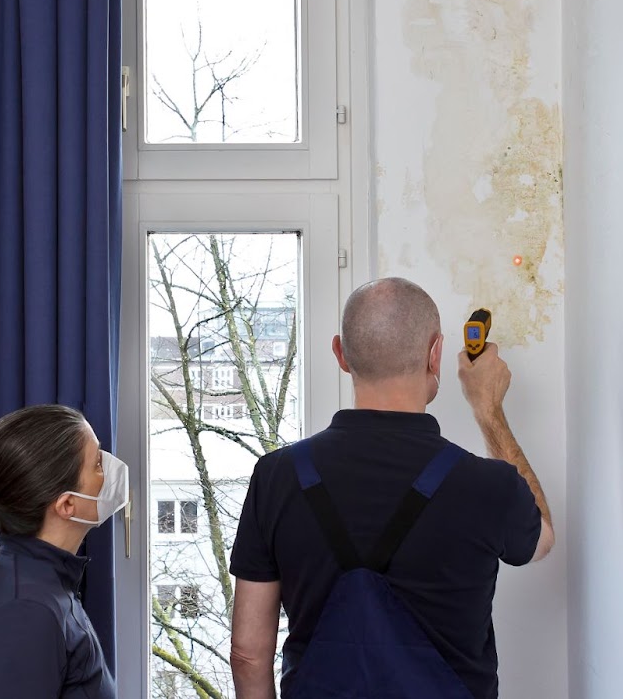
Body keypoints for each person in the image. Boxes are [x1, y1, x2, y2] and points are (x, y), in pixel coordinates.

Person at [228, 277, 555, 699]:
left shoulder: (277, 475)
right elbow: (541, 539)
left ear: (340, 354)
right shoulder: (487, 484)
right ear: (435, 354)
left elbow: (248, 654)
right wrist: (488, 409)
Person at [0, 403, 128, 699]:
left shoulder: (44, 581)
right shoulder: (24, 610)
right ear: (67, 505)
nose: (109, 469)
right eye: (97, 464)